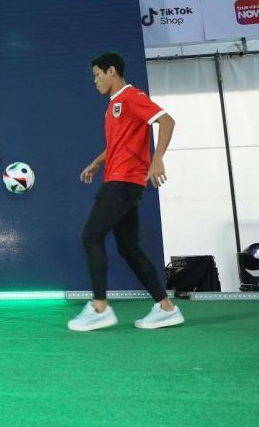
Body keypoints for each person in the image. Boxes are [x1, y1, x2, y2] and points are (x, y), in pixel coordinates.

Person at [68, 52, 184, 331]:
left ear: (111, 71)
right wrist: (97, 162)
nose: (95, 80)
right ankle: (166, 308)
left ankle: (99, 308)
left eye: (97, 74)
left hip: (122, 182)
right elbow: (118, 144)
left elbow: (167, 121)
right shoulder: (113, 106)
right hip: (124, 182)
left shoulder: (131, 96)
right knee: (128, 247)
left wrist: (157, 158)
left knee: (91, 236)